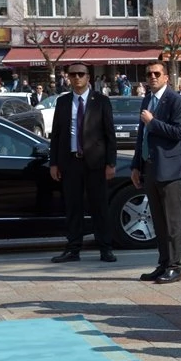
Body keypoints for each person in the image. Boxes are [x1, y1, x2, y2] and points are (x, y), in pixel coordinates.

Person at [48, 64, 117, 264]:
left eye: (81, 74)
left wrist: (110, 163)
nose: (77, 77)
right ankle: (73, 249)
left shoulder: (101, 101)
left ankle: (105, 248)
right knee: (73, 207)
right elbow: (57, 135)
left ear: (88, 77)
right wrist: (54, 163)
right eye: (72, 74)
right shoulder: (63, 102)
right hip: (70, 163)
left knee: (99, 207)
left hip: (96, 163)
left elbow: (109, 134)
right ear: (68, 77)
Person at [131, 63, 181, 284]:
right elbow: (142, 136)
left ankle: (175, 266)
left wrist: (153, 123)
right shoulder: (147, 100)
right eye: (149, 74)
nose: (153, 77)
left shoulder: (175, 100)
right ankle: (163, 263)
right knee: (158, 220)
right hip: (150, 167)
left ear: (166, 77)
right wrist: (136, 166)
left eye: (157, 74)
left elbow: (179, 132)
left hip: (170, 169)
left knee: (172, 220)